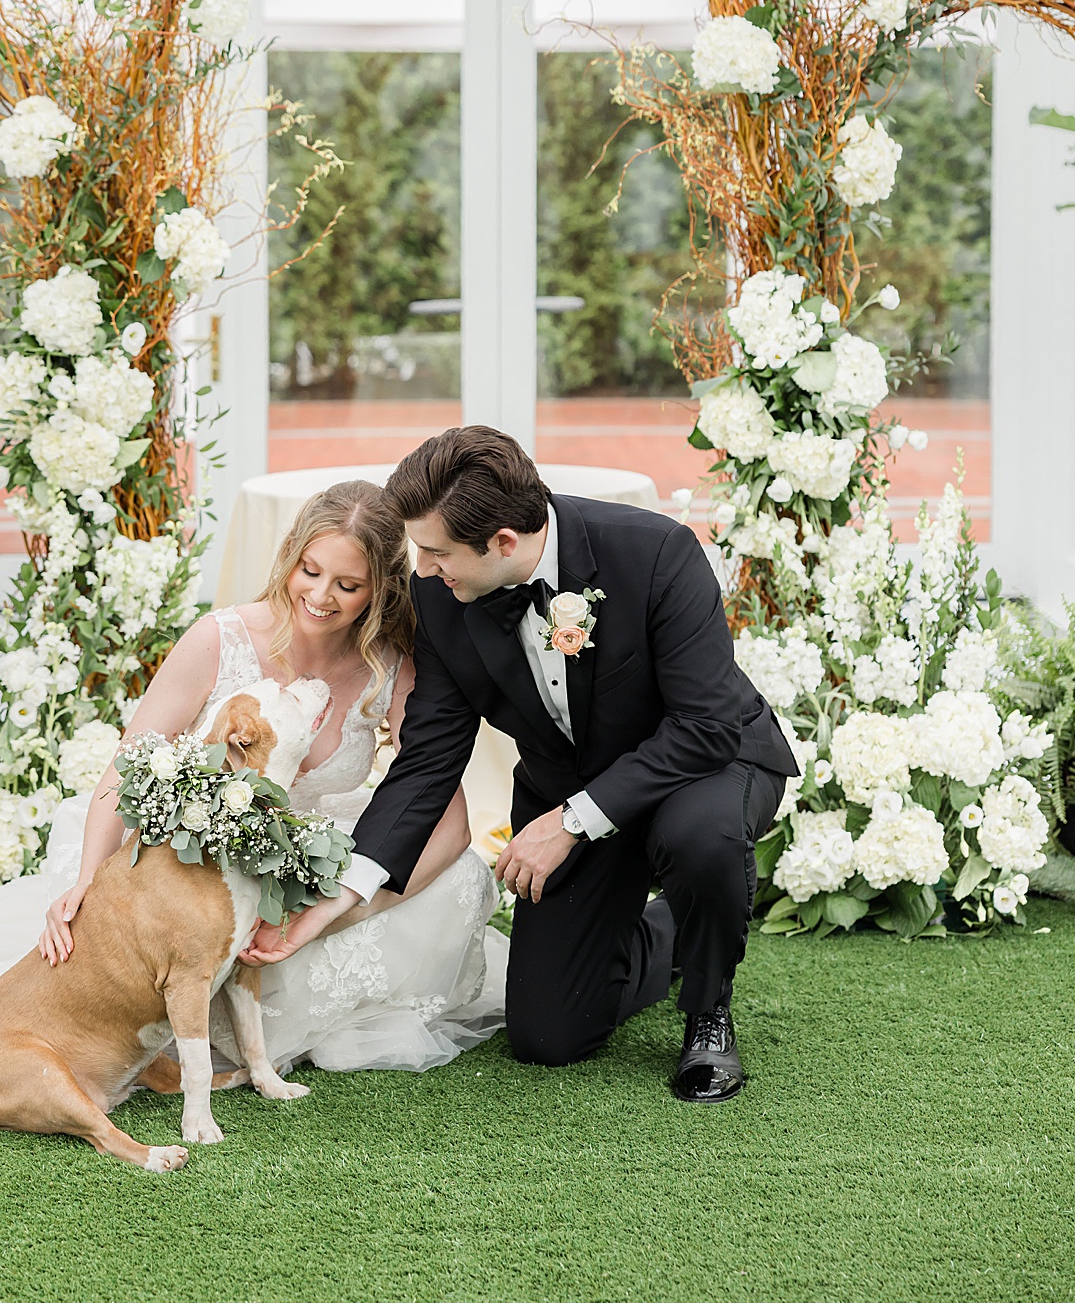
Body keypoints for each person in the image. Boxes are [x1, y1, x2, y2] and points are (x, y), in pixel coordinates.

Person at [0, 481, 503, 1118]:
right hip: (188, 862)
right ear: (289, 557)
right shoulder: (221, 638)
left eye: (347, 586)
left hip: (305, 868)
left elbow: (449, 823)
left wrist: (332, 911)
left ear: (381, 589)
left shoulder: (390, 669)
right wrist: (86, 883)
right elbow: (121, 773)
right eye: (309, 571)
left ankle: (266, 998)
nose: (321, 597)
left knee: (457, 877)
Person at [245, 426, 799, 1101]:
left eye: (436, 551)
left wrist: (568, 823)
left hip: (704, 767)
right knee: (547, 1037)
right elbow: (429, 761)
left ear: (505, 542)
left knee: (699, 837)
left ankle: (708, 1012)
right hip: (568, 787)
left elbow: (704, 726)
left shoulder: (656, 552)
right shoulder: (438, 596)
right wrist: (341, 892)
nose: (419, 569)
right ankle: (676, 930)